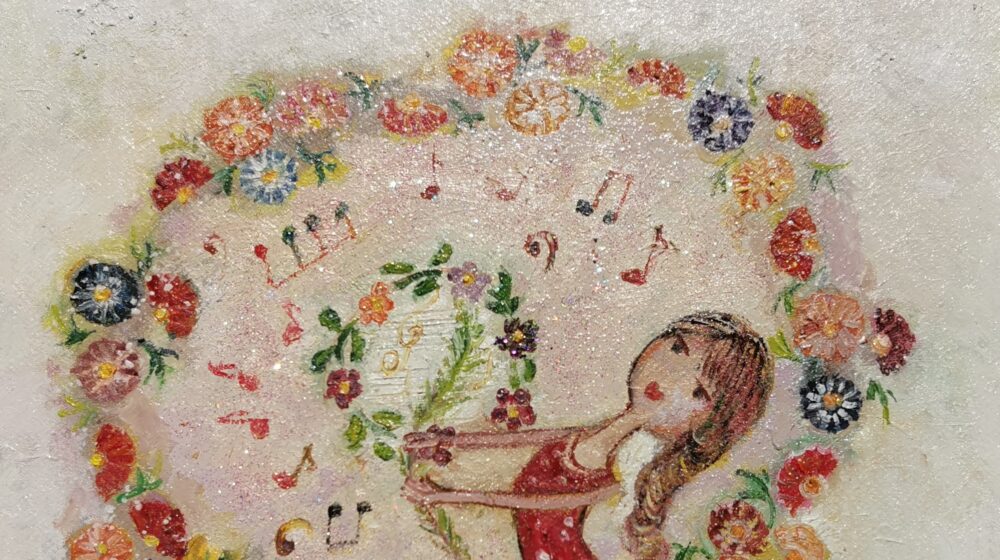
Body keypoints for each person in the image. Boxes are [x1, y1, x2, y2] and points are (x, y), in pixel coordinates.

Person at [403, 311, 774, 559]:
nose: (669, 376)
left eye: (697, 392)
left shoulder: (627, 474)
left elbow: (530, 502)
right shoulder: (601, 434)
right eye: (677, 347)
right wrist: (446, 442)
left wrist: (443, 495)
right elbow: (531, 440)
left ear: (707, 428)